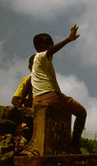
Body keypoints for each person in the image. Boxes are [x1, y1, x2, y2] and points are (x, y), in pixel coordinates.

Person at [31, 25, 87, 153]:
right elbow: (50, 52)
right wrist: (69, 39)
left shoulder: (38, 62)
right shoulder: (40, 56)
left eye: (52, 44)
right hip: (51, 96)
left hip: (37, 99)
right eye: (48, 44)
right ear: (40, 47)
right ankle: (74, 147)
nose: (51, 47)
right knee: (81, 112)